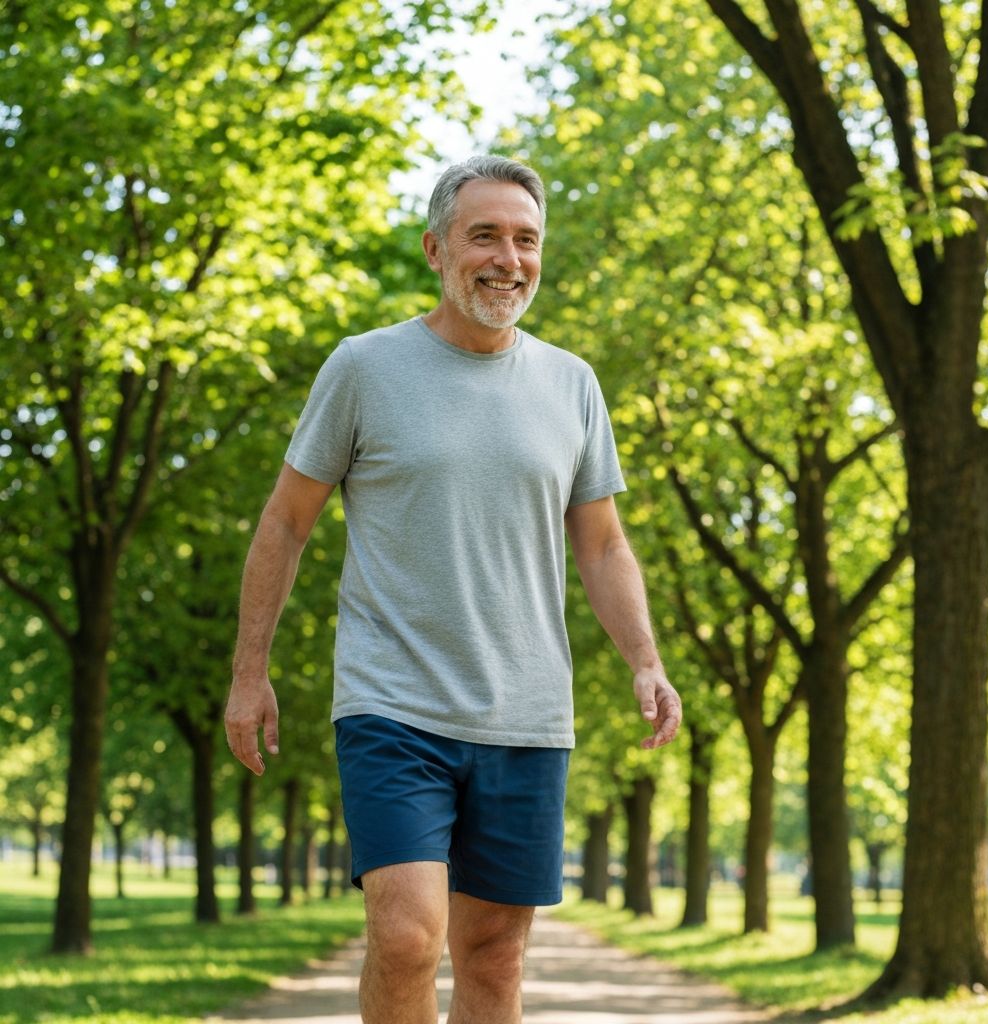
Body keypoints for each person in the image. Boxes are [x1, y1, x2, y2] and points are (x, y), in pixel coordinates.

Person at [224, 155, 682, 1024]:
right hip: (392, 703)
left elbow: (604, 541)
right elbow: (285, 523)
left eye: (526, 239)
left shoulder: (572, 384)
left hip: (527, 710)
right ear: (436, 249)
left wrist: (645, 661)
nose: (508, 258)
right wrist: (251, 671)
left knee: (495, 956)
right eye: (485, 236)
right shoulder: (364, 368)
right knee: (404, 937)